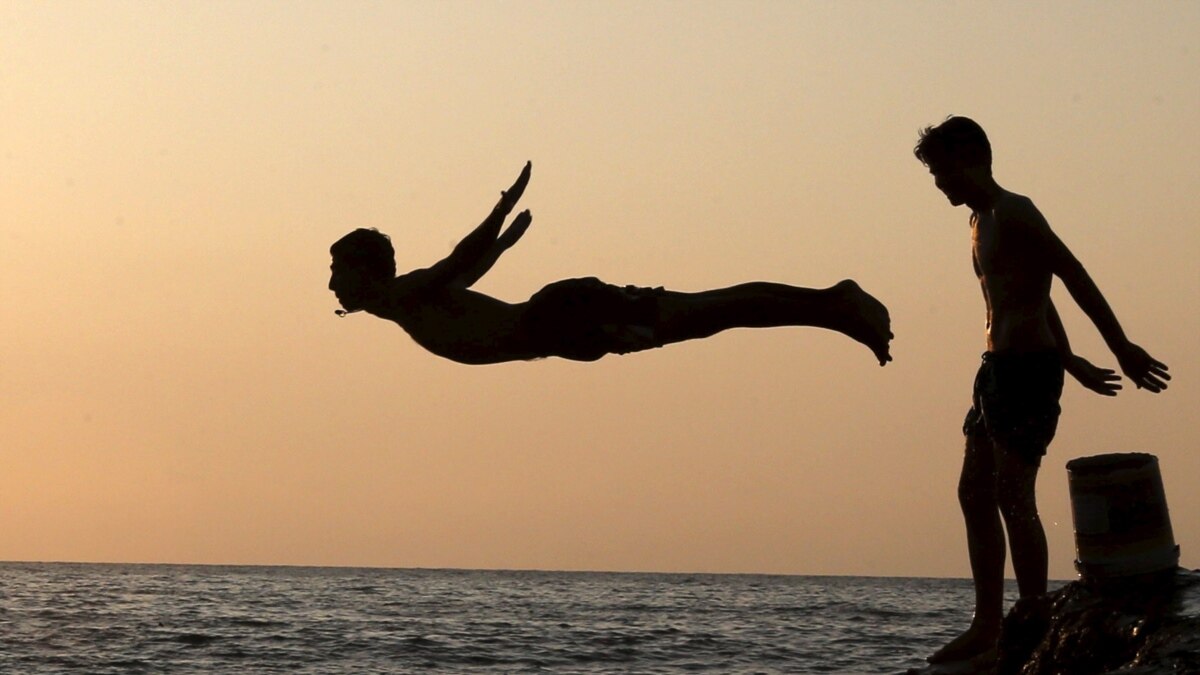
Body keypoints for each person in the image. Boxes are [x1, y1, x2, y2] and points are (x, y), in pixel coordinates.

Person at [913, 117, 1170, 664]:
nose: (939, 183)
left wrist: (1121, 346)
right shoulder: (979, 221)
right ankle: (986, 625)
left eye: (941, 171)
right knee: (972, 493)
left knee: (1012, 492)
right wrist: (1072, 357)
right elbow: (1035, 292)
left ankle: (1028, 616)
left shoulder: (1015, 211)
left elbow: (1070, 274)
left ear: (972, 159)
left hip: (1028, 372)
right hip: (996, 369)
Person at [329, 161, 892, 366]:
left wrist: (501, 209)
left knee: (712, 312)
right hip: (566, 325)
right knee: (710, 312)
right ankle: (832, 307)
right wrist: (504, 245)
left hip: (566, 319)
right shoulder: (405, 304)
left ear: (365, 272)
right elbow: (462, 278)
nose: (330, 284)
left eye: (337, 271)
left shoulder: (400, 297)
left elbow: (458, 261)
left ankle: (836, 303)